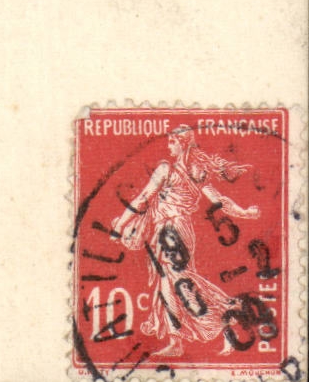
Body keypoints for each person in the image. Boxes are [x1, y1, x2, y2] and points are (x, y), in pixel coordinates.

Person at [110, 125, 259, 357]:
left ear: (181, 144)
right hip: (180, 230)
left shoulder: (165, 169)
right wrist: (245, 212)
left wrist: (120, 225)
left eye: (171, 142)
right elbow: (220, 200)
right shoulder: (197, 172)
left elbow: (142, 198)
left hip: (170, 231)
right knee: (170, 282)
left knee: (178, 282)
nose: (169, 146)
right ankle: (182, 339)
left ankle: (227, 317)